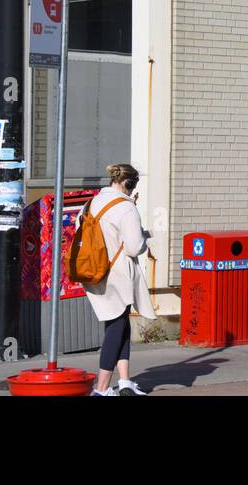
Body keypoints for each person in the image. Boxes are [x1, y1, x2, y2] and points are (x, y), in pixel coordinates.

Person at [82, 163, 157, 396]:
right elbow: (134, 248)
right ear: (128, 184)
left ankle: (124, 381)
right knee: (115, 328)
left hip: (95, 271)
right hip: (118, 273)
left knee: (120, 323)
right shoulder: (126, 208)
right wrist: (144, 237)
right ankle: (102, 389)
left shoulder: (91, 203)